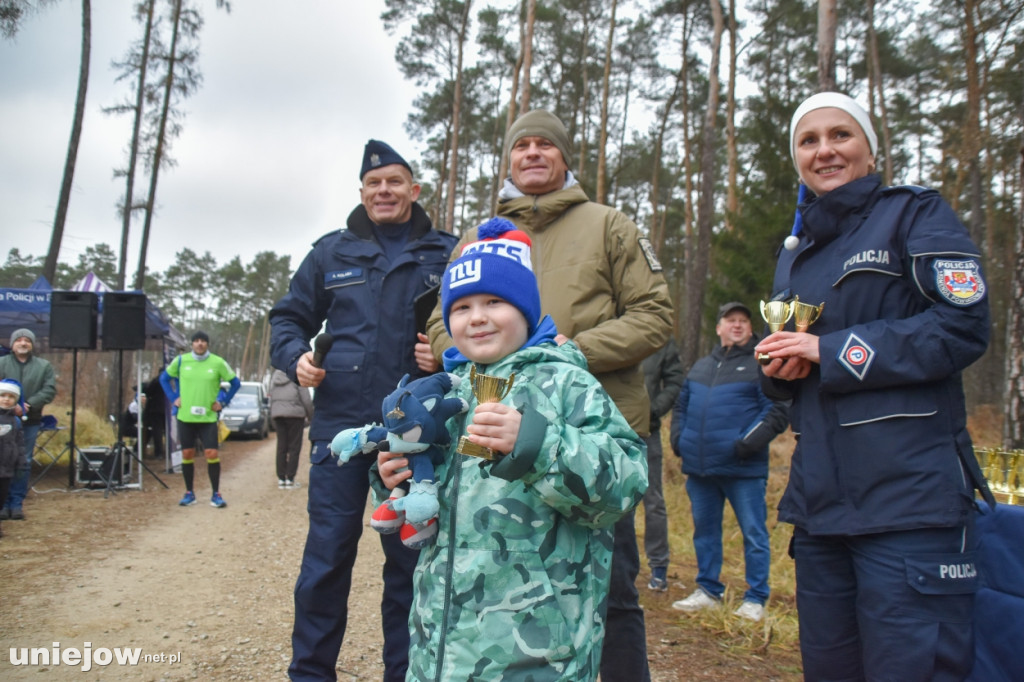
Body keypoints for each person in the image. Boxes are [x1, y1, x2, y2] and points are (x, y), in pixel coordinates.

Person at [425, 108, 673, 682]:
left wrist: (570, 351)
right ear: (508, 159)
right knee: (480, 571)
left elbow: (654, 315)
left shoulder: (609, 225)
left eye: (545, 145)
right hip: (482, 427)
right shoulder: (474, 238)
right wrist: (471, 361)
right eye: (521, 145)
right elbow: (441, 323)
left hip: (587, 430)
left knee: (607, 589)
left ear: (565, 157)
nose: (532, 153)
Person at [754, 92, 993, 680]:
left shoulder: (915, 214)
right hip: (822, 509)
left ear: (869, 147)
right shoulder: (796, 254)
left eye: (841, 135)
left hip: (909, 503)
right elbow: (801, 371)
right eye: (808, 141)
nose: (825, 150)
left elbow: (962, 326)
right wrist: (779, 374)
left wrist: (830, 351)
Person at [378, 218, 648, 680]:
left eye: (494, 301)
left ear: (526, 310)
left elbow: (623, 484)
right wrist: (395, 479)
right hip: (441, 647)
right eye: (460, 307)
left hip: (536, 651)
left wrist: (536, 443)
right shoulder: (440, 394)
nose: (477, 317)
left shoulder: (567, 382)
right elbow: (430, 502)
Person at [269, 139, 458, 682]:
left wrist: (446, 349)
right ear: (361, 192)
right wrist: (296, 358)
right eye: (374, 184)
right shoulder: (332, 252)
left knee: (409, 563)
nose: (384, 191)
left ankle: (405, 673)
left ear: (415, 190)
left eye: (395, 182)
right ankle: (310, 673)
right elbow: (287, 318)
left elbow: (473, 319)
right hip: (338, 430)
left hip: (414, 434)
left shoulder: (445, 252)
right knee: (326, 559)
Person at [669, 301, 789, 621]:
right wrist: (678, 440)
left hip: (743, 468)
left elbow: (777, 410)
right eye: (730, 320)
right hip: (700, 467)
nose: (737, 325)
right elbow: (681, 407)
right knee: (704, 531)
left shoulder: (759, 364)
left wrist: (746, 443)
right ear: (719, 327)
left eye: (743, 321)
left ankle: (756, 598)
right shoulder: (700, 367)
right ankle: (708, 590)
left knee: (753, 533)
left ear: (751, 329)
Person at [160, 330, 240, 508]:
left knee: (211, 453)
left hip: (208, 417)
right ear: (192, 344)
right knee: (187, 454)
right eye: (196, 341)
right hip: (185, 416)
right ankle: (189, 493)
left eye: (203, 341)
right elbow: (164, 379)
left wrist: (223, 402)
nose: (199, 344)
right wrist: (173, 398)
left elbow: (236, 383)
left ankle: (216, 494)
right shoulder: (181, 361)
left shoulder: (218, 362)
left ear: (207, 344)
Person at [640, 337, 684, 592]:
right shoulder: (608, 331)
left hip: (647, 431)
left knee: (653, 501)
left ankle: (658, 568)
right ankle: (612, 566)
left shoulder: (659, 340)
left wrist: (653, 411)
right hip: (604, 428)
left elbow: (675, 382)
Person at [0, 328, 56, 521]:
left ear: (32, 345)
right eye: (19, 340)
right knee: (3, 460)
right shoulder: (2, 363)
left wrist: (28, 405)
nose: (23, 343)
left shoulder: (44, 366)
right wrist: (9, 405)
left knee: (23, 461)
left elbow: (49, 390)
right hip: (3, 420)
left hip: (30, 420)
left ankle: (16, 503)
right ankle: (2, 503)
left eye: (27, 341)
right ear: (13, 344)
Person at [268, 368, 313, 489]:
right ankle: (290, 479)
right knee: (294, 447)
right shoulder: (297, 373)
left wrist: (272, 415)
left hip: (278, 415)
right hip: (295, 415)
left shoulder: (275, 376)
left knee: (281, 446)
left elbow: (271, 397)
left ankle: (281, 479)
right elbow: (306, 399)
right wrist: (311, 416)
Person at [0, 379, 26, 538]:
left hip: (7, 466)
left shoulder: (16, 421)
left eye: (10, 396)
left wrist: (21, 462)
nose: (6, 399)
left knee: (1, 496)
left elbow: (20, 443)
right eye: (2, 395)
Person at [141, 370, 168, 460]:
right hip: (168, 408)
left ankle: (159, 453)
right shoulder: (171, 380)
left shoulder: (156, 380)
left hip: (156, 409)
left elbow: (148, 391)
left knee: (157, 431)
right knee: (168, 431)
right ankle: (168, 452)